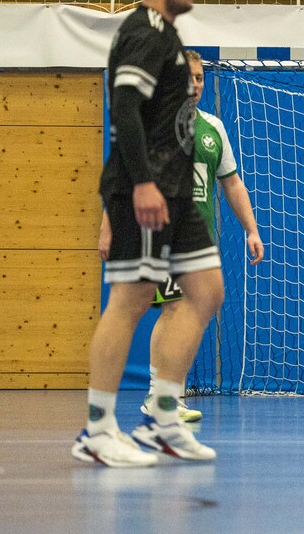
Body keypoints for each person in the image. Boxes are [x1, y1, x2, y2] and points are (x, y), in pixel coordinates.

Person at [72, 0, 222, 468]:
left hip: (177, 194)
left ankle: (163, 418)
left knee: (206, 291)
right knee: (130, 301)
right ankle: (97, 429)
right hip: (145, 191)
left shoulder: (171, 38)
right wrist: (141, 184)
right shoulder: (143, 31)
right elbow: (125, 109)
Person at [99, 50, 266, 424]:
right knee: (174, 309)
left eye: (200, 78)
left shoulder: (213, 127)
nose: (195, 84)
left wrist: (252, 229)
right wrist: (108, 228)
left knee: (188, 313)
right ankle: (160, 398)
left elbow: (232, 183)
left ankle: (169, 395)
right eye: (188, 77)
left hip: (198, 240)